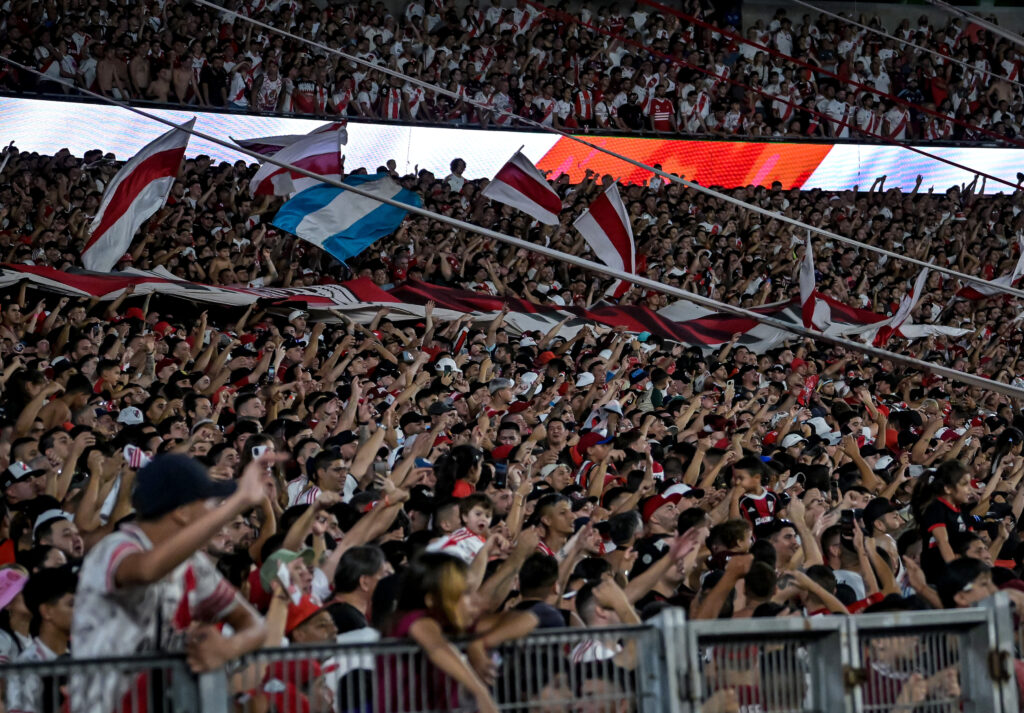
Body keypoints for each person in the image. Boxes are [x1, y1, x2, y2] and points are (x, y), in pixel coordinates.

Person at [70, 453, 269, 712]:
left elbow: (254, 625)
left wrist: (227, 647)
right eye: (208, 502)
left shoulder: (192, 564)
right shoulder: (114, 548)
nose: (214, 511)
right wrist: (237, 503)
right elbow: (146, 570)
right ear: (183, 512)